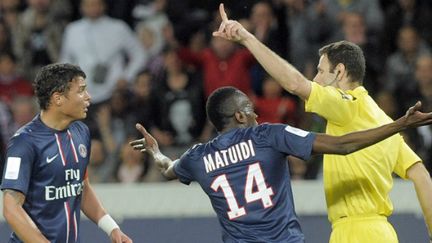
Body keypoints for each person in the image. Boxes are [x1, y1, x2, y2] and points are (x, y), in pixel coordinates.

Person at [212, 4, 432, 243]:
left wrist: (247, 38)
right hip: (382, 232)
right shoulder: (382, 121)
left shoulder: (347, 105)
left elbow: (295, 84)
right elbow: (420, 174)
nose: (315, 79)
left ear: (339, 71)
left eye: (320, 71)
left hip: (355, 234)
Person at [131, 86, 432, 243]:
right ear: (238, 116)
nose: (256, 114)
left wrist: (156, 152)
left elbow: (168, 169)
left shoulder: (199, 157)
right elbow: (343, 145)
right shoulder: (269, 135)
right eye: (249, 109)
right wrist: (398, 124)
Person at [1, 63, 132, 243]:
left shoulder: (81, 132)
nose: (88, 97)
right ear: (58, 98)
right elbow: (11, 208)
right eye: (81, 91)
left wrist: (111, 228)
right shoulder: (23, 143)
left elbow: (82, 188)